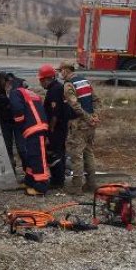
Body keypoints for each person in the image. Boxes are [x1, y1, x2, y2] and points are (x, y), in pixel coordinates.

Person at [59, 61, 101, 195]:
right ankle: (91, 184)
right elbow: (96, 100)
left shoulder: (69, 85)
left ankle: (76, 187)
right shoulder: (85, 81)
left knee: (76, 155)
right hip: (90, 125)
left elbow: (74, 105)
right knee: (88, 152)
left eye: (61, 70)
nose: (60, 73)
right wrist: (95, 116)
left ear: (66, 70)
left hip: (79, 125)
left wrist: (88, 118)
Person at [5, 74, 50, 196]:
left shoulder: (16, 93)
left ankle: (41, 187)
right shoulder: (30, 93)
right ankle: (30, 181)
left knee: (38, 157)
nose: (7, 89)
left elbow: (18, 109)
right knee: (31, 156)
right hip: (38, 126)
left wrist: (19, 124)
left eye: (8, 86)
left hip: (34, 127)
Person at [38, 64, 70, 189]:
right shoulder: (57, 88)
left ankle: (57, 181)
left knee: (54, 154)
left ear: (46, 79)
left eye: (41, 80)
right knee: (60, 153)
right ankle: (59, 178)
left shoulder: (54, 91)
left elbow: (54, 114)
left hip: (56, 129)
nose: (41, 83)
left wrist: (50, 130)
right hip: (61, 127)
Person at [0, 72, 19, 171]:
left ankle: (13, 166)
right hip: (5, 123)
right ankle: (11, 168)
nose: (8, 83)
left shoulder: (11, 89)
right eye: (6, 81)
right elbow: (1, 107)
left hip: (14, 121)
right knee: (8, 146)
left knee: (18, 145)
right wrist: (8, 96)